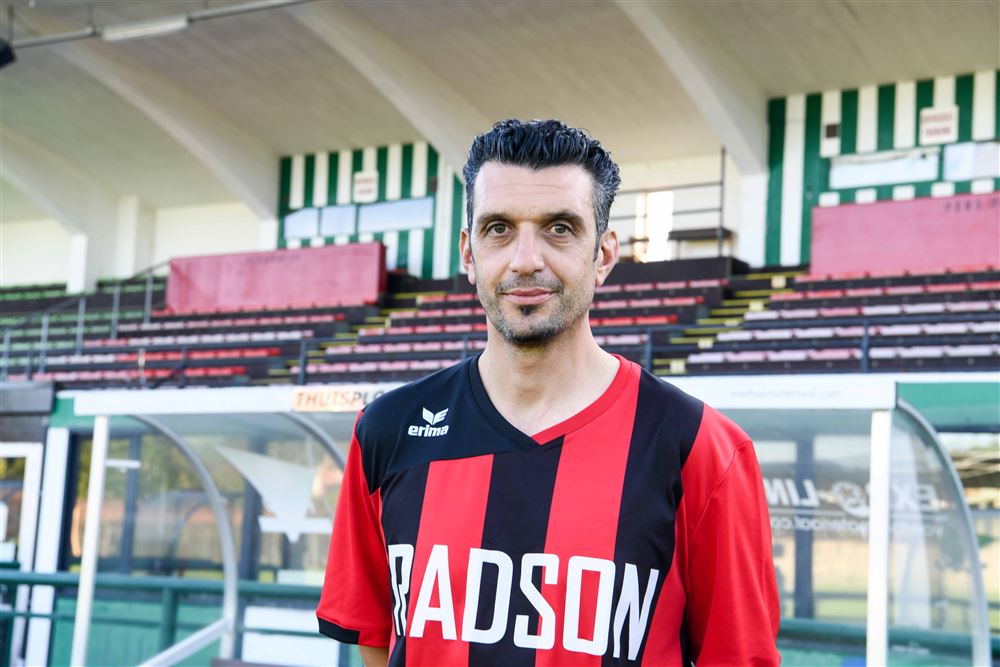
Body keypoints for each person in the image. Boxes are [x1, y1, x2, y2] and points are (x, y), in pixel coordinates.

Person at [316, 119, 780, 666]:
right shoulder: (388, 430)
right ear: (468, 253)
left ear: (603, 255)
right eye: (498, 228)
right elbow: (376, 638)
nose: (526, 259)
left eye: (559, 228)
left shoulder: (702, 449)